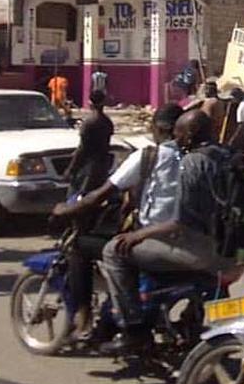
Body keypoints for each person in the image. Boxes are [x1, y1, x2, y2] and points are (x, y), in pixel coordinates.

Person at [98, 109, 233, 355]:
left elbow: (182, 221)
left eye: (179, 135)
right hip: (232, 249)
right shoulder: (229, 156)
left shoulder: (193, 162)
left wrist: (139, 235)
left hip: (198, 250)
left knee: (113, 251)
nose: (176, 140)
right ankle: (187, 319)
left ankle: (133, 330)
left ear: (189, 135)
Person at [52, 102, 186, 339]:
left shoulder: (148, 156)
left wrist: (66, 210)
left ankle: (89, 317)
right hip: (191, 240)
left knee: (81, 247)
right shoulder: (193, 157)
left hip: (154, 238)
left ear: (157, 128)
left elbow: (99, 195)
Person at [62, 90, 114, 196]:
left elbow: (82, 149)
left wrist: (71, 169)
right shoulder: (107, 122)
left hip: (88, 167)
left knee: (76, 197)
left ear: (90, 103)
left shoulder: (89, 123)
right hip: (102, 166)